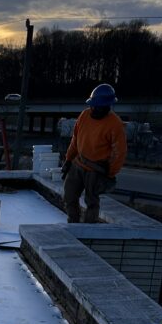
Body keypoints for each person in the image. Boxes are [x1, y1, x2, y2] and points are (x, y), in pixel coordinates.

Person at [61, 84, 127, 223]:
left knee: (92, 201)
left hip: (96, 169)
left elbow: (119, 152)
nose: (95, 109)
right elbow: (75, 139)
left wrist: (110, 173)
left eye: (99, 107)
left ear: (107, 106)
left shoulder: (115, 124)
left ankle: (89, 228)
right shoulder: (84, 115)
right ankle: (73, 223)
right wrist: (68, 160)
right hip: (78, 163)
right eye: (93, 106)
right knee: (69, 196)